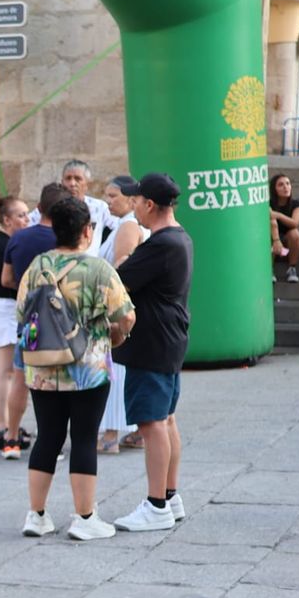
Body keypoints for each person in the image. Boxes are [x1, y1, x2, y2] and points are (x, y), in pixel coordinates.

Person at [17, 196, 134, 541]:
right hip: (88, 369)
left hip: (42, 368)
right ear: (87, 230)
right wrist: (118, 335)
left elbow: (22, 310)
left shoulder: (38, 266)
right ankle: (85, 517)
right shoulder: (98, 269)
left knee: (47, 438)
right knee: (83, 438)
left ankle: (36, 515)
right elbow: (125, 315)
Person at [111, 173, 193, 532]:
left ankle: (156, 503)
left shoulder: (161, 244)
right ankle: (169, 495)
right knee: (166, 419)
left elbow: (118, 279)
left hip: (153, 340)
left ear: (147, 204)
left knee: (152, 423)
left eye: (136, 201)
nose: (133, 208)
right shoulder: (180, 237)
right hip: (169, 337)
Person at [1, 183, 64, 460]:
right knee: (55, 385)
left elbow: (5, 279)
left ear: (39, 209)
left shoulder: (19, 238)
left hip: (28, 319)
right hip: (58, 321)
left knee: (19, 380)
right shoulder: (63, 240)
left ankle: (11, 438)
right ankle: (53, 444)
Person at [98, 176, 144, 454]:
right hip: (123, 306)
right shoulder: (124, 224)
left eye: (113, 195)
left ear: (130, 199)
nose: (108, 200)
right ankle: (134, 431)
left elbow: (121, 270)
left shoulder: (128, 225)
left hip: (117, 307)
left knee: (116, 369)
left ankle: (111, 434)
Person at [0, 195, 30, 457]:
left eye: (27, 214)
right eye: (21, 215)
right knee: (7, 368)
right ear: (6, 220)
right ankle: (1, 425)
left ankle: (8, 424)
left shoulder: (10, 241)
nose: (26, 219)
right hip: (3, 308)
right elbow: (6, 280)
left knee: (12, 368)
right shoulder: (0, 244)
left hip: (9, 308)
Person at [60, 159, 114, 254]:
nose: (72, 184)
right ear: (62, 182)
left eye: (78, 179)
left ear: (87, 184)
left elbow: (118, 227)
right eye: (68, 178)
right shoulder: (53, 208)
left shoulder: (100, 207)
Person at [268, 174, 299, 284]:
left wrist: (278, 215)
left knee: (295, 234)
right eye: (281, 185)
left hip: (288, 243)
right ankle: (269, 269)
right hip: (273, 239)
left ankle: (292, 269)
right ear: (274, 189)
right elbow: (272, 222)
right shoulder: (268, 203)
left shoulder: (296, 204)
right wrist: (276, 240)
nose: (286, 187)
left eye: (288, 184)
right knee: (268, 232)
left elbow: (294, 223)